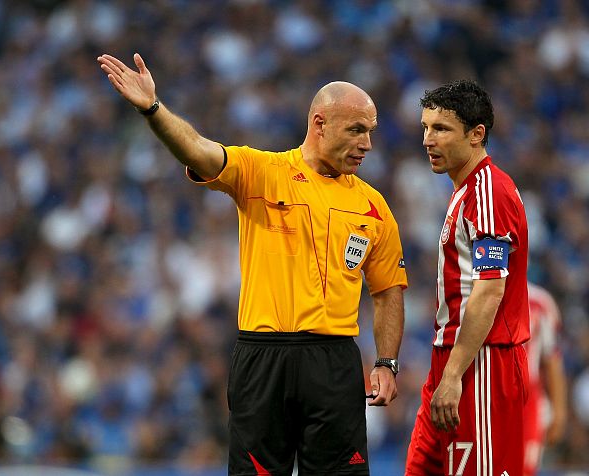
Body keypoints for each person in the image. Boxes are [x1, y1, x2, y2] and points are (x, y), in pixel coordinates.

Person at [98, 53, 407, 475]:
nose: (367, 144)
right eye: (356, 130)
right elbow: (199, 152)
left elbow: (388, 290)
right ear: (320, 124)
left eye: (369, 132)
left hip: (334, 360)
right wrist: (153, 109)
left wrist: (387, 362)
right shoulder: (264, 172)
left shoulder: (374, 207)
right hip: (264, 359)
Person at [406, 79, 530, 475]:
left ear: (477, 134)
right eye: (425, 127)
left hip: (482, 365)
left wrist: (455, 374)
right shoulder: (464, 191)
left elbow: (490, 289)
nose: (428, 139)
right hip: (450, 362)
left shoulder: (489, 191)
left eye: (440, 129)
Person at [523, 281, 567, 476]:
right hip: (489, 397)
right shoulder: (477, 292)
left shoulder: (539, 302)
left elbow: (552, 359)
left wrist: (559, 410)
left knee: (524, 468)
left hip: (528, 402)